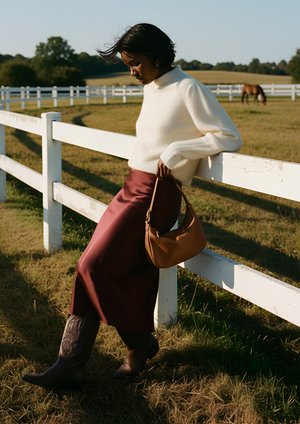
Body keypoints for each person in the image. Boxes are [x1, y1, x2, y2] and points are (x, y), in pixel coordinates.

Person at [22, 23, 242, 388]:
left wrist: (179, 150)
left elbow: (230, 137)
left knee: (94, 265)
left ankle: (136, 345)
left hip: (156, 194)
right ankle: (72, 363)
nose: (132, 71)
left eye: (136, 63)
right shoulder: (153, 87)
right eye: (128, 64)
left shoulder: (188, 88)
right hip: (131, 187)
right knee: (92, 267)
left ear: (156, 57)